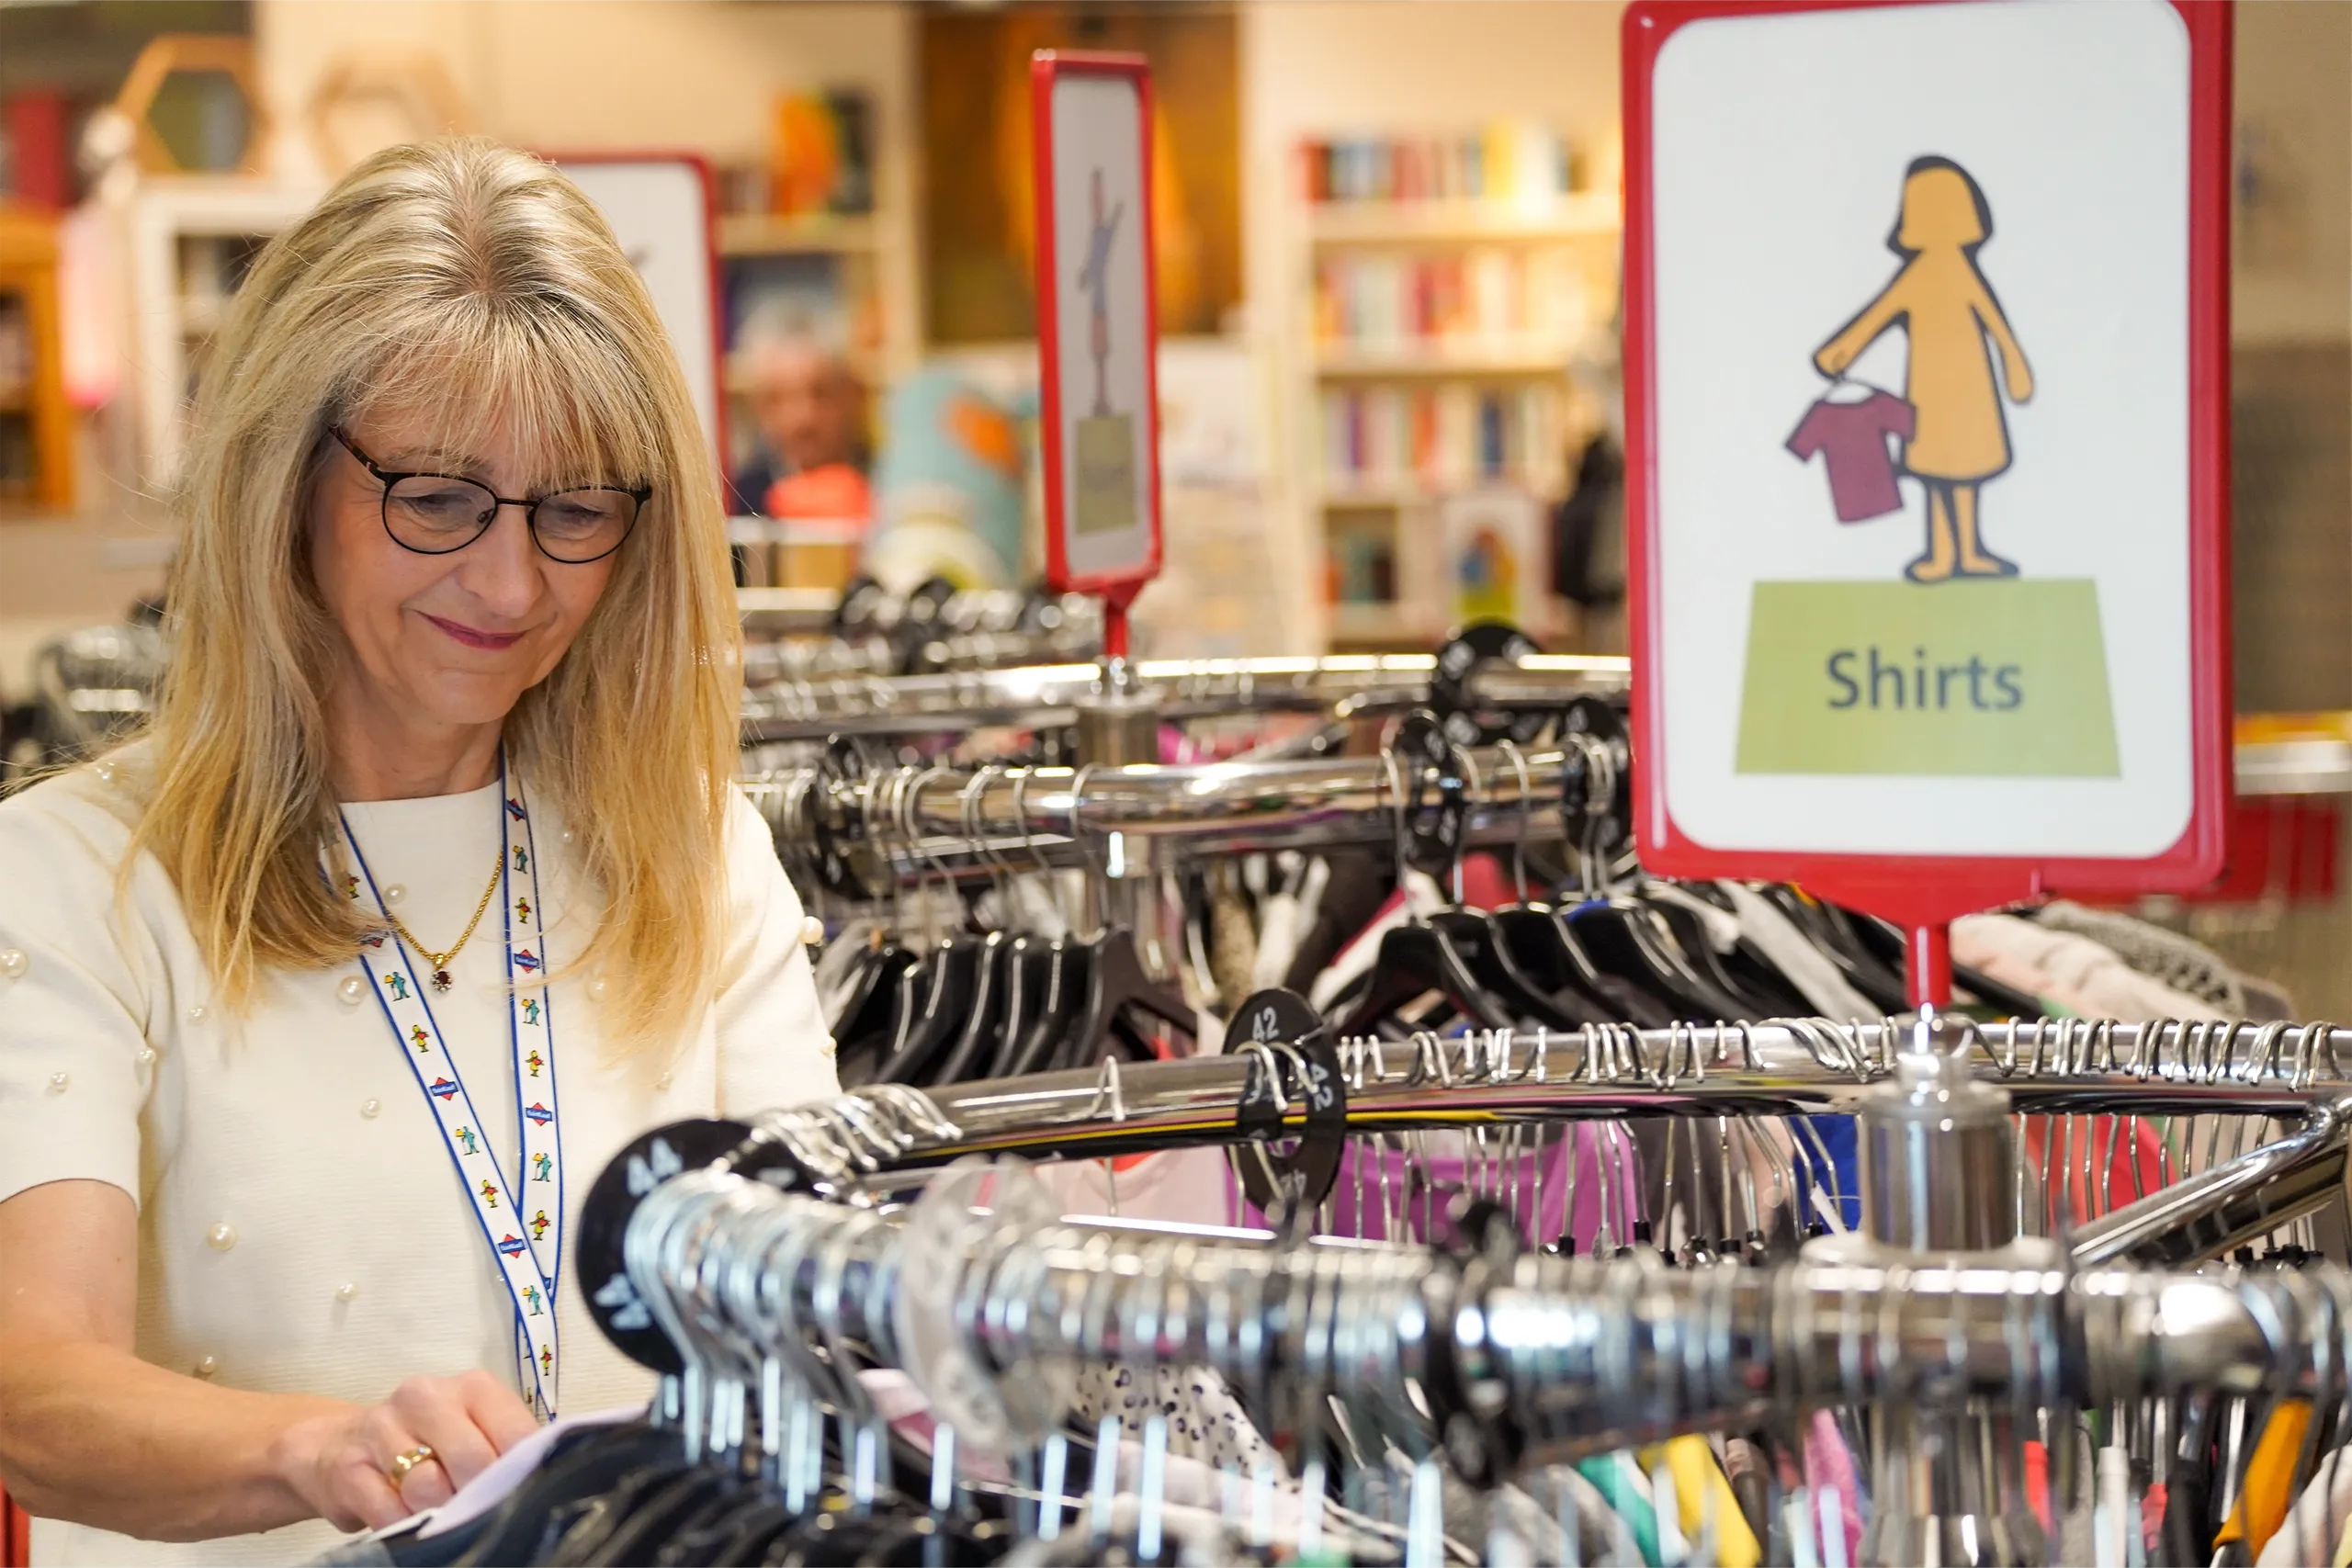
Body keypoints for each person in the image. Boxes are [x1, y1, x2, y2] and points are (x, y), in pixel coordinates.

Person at [0, 139, 841, 1567]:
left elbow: (810, 1292)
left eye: (576, 508)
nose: (513, 583)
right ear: (285, 486)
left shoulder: (696, 853)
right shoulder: (75, 875)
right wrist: (314, 1445)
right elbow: (32, 1380)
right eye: (437, 498)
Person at [1812, 155, 2034, 583]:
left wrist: (2015, 366)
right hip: (1932, 393)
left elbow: (1996, 325)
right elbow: (1877, 316)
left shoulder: (1958, 272)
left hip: (1970, 392)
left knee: (1965, 470)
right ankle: (1944, 554)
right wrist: (1840, 353)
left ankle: (1966, 554)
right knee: (1939, 472)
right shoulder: (1920, 275)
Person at [726, 329, 871, 517]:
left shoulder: (886, 483)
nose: (805, 417)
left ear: (849, 397)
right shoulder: (736, 500)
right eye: (784, 399)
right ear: (761, 408)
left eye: (820, 393)